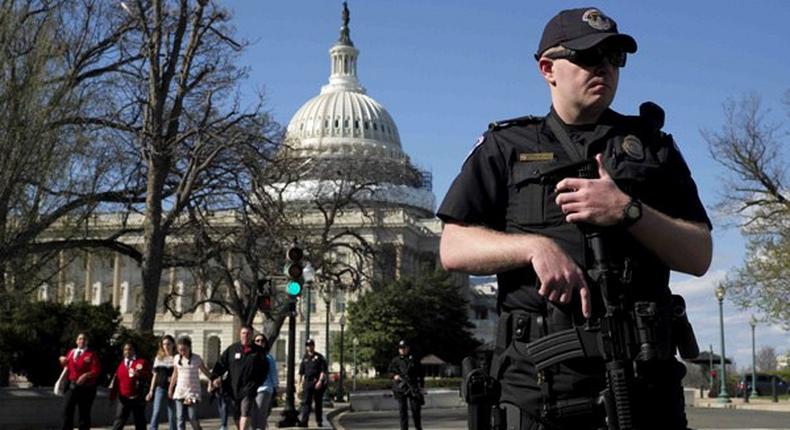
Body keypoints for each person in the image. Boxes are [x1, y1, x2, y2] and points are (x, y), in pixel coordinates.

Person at [438, 7, 712, 430]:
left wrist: (626, 210)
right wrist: (533, 247)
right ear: (547, 68)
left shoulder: (653, 149)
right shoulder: (505, 147)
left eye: (614, 56)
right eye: (587, 56)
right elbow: (453, 246)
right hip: (539, 393)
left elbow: (699, 254)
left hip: (646, 390)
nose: (603, 66)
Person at [210, 325, 268, 430]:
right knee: (237, 415)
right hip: (233, 388)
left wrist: (257, 383)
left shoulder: (259, 351)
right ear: (240, 335)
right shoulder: (232, 349)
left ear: (252, 335)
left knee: (245, 411)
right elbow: (221, 364)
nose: (246, 336)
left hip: (249, 387)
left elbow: (264, 370)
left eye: (248, 333)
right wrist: (214, 377)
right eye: (243, 333)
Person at [60, 332, 101, 430]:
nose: (81, 341)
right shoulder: (71, 352)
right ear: (76, 341)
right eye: (79, 339)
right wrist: (62, 361)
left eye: (84, 339)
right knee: (66, 411)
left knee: (84, 414)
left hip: (86, 388)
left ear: (87, 342)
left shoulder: (91, 354)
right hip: (71, 386)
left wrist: (86, 375)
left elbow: (96, 370)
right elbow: (67, 368)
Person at [169, 336, 212, 430]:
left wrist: (212, 379)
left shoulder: (196, 358)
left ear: (189, 348)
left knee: (192, 417)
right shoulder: (176, 358)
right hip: (180, 391)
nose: (182, 352)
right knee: (180, 418)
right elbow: (175, 374)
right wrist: (170, 388)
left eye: (184, 349)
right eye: (180, 350)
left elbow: (205, 371)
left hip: (193, 392)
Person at [110, 342, 151, 430]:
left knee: (139, 421)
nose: (127, 351)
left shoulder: (141, 362)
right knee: (119, 420)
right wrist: (112, 396)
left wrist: (139, 374)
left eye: (130, 349)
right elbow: (116, 382)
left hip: (137, 397)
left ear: (134, 350)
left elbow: (148, 376)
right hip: (123, 398)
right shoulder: (121, 365)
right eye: (125, 349)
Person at [388, 340, 424, 430]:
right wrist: (394, 376)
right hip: (401, 388)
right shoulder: (395, 361)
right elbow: (389, 372)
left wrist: (422, 387)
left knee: (416, 410)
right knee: (402, 411)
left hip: (413, 387)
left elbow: (421, 374)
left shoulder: (414, 360)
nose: (402, 350)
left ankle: (418, 427)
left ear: (408, 348)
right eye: (400, 348)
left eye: (404, 348)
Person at [147, 334, 177, 430]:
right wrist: (151, 390)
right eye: (164, 344)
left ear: (173, 344)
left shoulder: (176, 358)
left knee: (172, 413)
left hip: (173, 388)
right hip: (160, 387)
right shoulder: (159, 358)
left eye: (168, 344)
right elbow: (155, 375)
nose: (166, 346)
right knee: (156, 411)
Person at [297, 339, 327, 428]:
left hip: (317, 382)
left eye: (311, 345)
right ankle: (304, 421)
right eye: (307, 345)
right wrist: (299, 385)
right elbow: (301, 372)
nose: (309, 347)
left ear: (314, 346)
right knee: (306, 402)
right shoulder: (305, 358)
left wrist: (320, 381)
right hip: (307, 382)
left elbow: (323, 371)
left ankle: (319, 420)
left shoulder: (319, 357)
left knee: (318, 403)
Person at [252, 333, 279, 430]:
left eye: (262, 341)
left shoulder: (268, 357)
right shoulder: (250, 356)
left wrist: (276, 387)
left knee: (260, 414)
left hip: (264, 388)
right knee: (252, 415)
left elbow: (273, 373)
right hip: (251, 389)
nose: (260, 343)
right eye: (257, 341)